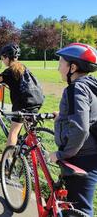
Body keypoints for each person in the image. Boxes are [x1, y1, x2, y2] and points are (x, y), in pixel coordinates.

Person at [49, 43, 97, 216]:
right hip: (92, 153)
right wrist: (62, 116)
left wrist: (62, 155)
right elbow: (89, 115)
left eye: (61, 63)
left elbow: (81, 129)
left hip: (82, 157)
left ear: (73, 67)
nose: (58, 68)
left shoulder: (75, 88)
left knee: (80, 210)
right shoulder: (90, 84)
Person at [0, 43, 41, 146]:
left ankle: (6, 160)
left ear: (7, 57)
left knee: (13, 133)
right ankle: (33, 152)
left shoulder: (10, 71)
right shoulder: (22, 67)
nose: (3, 61)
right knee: (29, 131)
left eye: (3, 58)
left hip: (23, 104)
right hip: (36, 99)